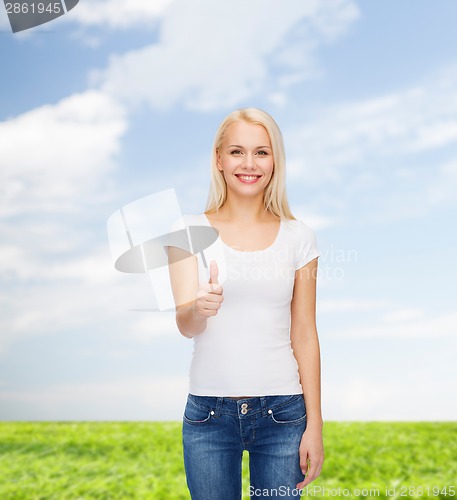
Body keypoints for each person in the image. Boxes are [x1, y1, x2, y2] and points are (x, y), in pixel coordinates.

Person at [167, 108, 324, 499]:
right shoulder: (187, 231)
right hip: (208, 415)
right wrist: (198, 308)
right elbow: (185, 324)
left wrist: (315, 424)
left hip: (283, 414)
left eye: (262, 152)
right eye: (237, 152)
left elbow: (304, 332)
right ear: (219, 159)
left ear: (275, 161)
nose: (249, 164)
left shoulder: (299, 237)